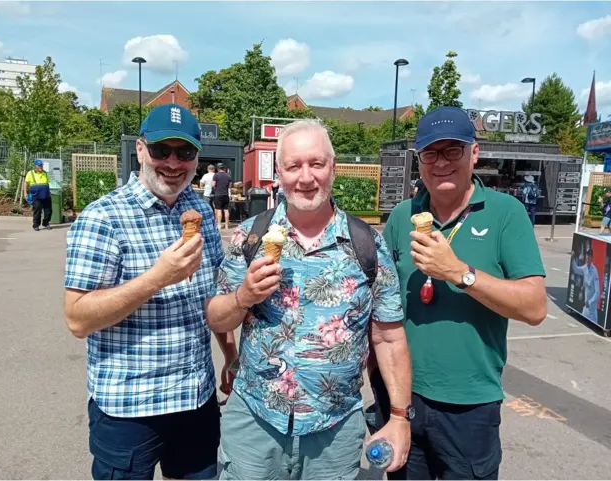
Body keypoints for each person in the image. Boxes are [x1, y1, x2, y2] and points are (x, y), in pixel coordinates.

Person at [206, 120, 413, 480]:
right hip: (255, 422)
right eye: (294, 166)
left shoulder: (367, 244)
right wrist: (243, 297)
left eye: (316, 164)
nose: (306, 177)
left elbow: (388, 337)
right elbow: (217, 319)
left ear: (333, 168)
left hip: (334, 430)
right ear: (279, 173)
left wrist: (398, 417)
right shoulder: (250, 235)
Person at [63, 103, 237, 480]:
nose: (173, 163)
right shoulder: (103, 217)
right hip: (130, 408)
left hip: (196, 397)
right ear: (141, 150)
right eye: (162, 150)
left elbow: (211, 292)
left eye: (185, 152)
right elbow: (77, 318)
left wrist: (230, 353)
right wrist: (157, 278)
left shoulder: (200, 209)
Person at [378, 106, 547, 480]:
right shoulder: (402, 215)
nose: (441, 163)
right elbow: (380, 304)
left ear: (474, 152)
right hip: (404, 400)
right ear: (418, 159)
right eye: (431, 153)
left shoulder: (506, 213)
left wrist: (458, 273)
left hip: (470, 406)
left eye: (453, 150)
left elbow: (535, 307)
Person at [571, 249, 599, 323]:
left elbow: (597, 292)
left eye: (589, 258)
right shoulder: (585, 268)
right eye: (587, 257)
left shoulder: (595, 271)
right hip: (585, 309)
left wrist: (589, 302)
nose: (587, 259)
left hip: (592, 311)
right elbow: (576, 269)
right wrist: (573, 259)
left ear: (592, 258)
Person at [24, 159, 52, 231]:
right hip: (36, 196)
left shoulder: (45, 173)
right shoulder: (30, 173)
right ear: (35, 166)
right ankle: (36, 225)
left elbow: (47, 183)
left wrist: (49, 192)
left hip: (46, 195)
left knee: (49, 210)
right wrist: (25, 193)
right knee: (37, 210)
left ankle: (45, 223)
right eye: (39, 165)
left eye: (41, 165)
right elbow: (26, 183)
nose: (41, 167)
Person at [212, 163, 232, 230]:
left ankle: (219, 225)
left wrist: (216, 188)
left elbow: (213, 184)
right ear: (224, 168)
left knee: (219, 210)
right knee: (226, 210)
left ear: (218, 168)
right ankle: (226, 225)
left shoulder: (216, 175)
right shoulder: (228, 175)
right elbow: (230, 186)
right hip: (225, 195)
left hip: (218, 194)